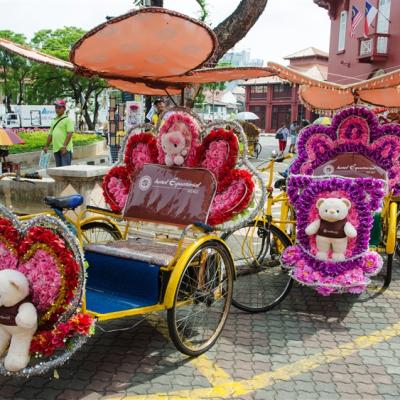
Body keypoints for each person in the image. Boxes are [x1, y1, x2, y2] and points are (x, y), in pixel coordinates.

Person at [44, 100, 74, 167]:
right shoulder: (54, 120)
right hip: (56, 148)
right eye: (56, 108)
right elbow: (50, 134)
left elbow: (69, 134)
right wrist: (46, 146)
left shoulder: (68, 119)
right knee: (58, 169)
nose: (57, 109)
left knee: (65, 169)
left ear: (64, 108)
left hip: (65, 149)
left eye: (59, 108)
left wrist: (64, 146)